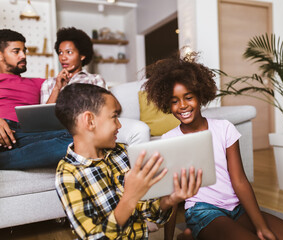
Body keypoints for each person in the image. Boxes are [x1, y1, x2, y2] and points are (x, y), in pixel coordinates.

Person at [142, 52, 283, 240]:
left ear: (200, 95)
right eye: (174, 101)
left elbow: (240, 181)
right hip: (203, 212)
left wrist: (261, 226)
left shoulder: (224, 128)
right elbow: (171, 195)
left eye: (188, 97)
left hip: (236, 208)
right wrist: (168, 239)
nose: (182, 106)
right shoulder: (169, 139)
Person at [54, 83, 202, 239]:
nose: (119, 125)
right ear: (90, 121)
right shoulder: (68, 174)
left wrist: (171, 199)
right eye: (114, 117)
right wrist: (130, 197)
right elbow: (94, 237)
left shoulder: (122, 153)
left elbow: (150, 213)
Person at [40, 27, 150, 145]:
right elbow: (44, 119)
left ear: (82, 56)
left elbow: (109, 108)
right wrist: (57, 88)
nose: (63, 57)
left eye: (69, 52)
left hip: (91, 127)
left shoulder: (94, 79)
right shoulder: (49, 84)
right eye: (60, 52)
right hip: (60, 131)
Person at [0, 29, 72, 169]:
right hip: (3, 130)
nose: (23, 55)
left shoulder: (39, 83)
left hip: (29, 135)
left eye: (24, 50)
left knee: (78, 138)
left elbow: (45, 118)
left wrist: (57, 87)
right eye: (16, 51)